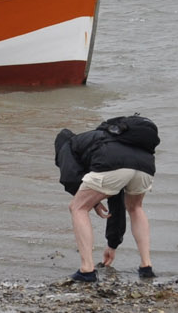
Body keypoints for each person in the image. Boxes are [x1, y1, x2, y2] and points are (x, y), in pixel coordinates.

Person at [56, 116, 159, 282]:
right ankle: (146, 266)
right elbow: (116, 202)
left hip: (113, 162)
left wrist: (93, 202)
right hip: (145, 164)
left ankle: (86, 269)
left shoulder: (68, 144)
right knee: (135, 208)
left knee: (78, 208)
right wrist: (112, 244)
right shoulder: (109, 139)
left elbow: (70, 177)